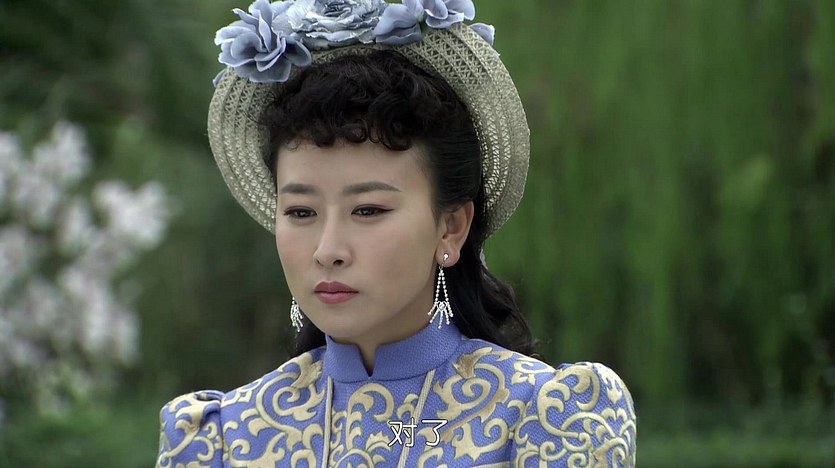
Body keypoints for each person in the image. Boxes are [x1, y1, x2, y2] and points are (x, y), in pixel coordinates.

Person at [157, 1, 637, 466]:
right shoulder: (222, 438)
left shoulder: (546, 417)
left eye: (368, 210)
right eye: (301, 212)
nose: (327, 251)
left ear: (451, 227)